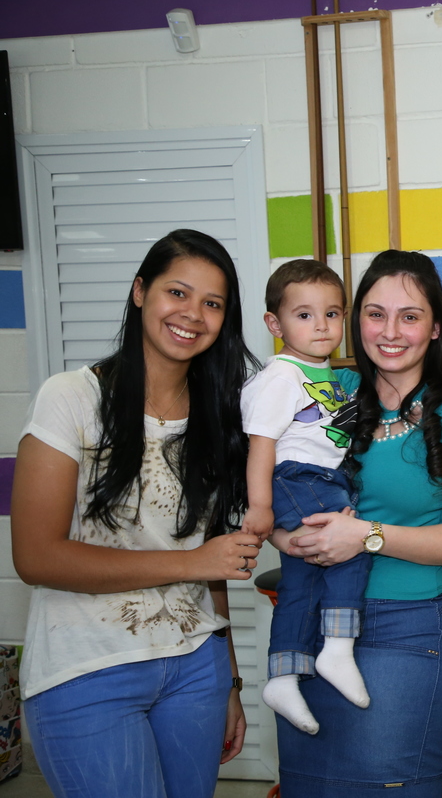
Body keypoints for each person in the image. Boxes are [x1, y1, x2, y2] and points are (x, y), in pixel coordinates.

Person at [11, 229, 262, 798]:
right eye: (178, 292)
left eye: (213, 303)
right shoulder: (71, 397)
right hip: (87, 669)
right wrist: (192, 562)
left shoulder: (221, 416)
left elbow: (215, 564)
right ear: (140, 291)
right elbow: (36, 557)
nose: (192, 314)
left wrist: (230, 681)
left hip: (196, 668)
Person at [270, 250, 442, 797]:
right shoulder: (329, 393)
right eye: (376, 314)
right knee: (311, 789)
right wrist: (282, 535)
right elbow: (269, 480)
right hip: (309, 628)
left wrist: (365, 536)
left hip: (405, 633)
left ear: (435, 328)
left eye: (409, 316)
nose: (390, 332)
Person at [241, 260, 366, 735]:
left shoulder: (322, 373)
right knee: (350, 545)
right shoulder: (281, 376)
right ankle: (337, 649)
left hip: (321, 477)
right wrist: (260, 508)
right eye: (304, 315)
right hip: (299, 477)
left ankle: (283, 674)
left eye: (332, 314)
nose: (321, 326)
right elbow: (261, 446)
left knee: (303, 579)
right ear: (275, 325)